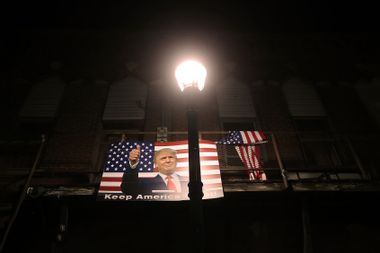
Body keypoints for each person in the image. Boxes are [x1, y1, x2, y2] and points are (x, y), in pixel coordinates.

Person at [121, 146, 188, 195]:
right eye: (163, 158)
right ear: (156, 164)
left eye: (171, 157)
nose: (168, 160)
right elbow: (128, 189)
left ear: (176, 161)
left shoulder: (188, 182)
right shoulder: (146, 184)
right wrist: (133, 164)